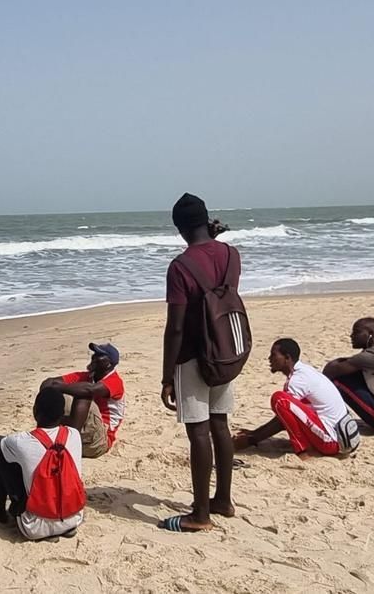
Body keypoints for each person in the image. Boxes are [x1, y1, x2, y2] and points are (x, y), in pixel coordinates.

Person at [158, 192, 238, 532]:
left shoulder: (180, 266)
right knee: (221, 424)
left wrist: (166, 376)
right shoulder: (231, 254)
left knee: (199, 432)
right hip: (224, 350)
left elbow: (175, 326)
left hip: (193, 355)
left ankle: (200, 514)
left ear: (179, 228)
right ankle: (223, 499)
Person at [0, 387, 85, 540]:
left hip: (35, 527)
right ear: (62, 414)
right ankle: (62, 526)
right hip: (74, 517)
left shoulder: (22, 441)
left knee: (1, 454)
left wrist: (7, 440)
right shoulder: (74, 434)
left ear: (35, 411)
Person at [233, 339, 360, 456]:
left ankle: (303, 450)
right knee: (286, 404)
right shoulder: (306, 371)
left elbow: (282, 418)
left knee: (280, 399)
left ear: (287, 358)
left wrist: (252, 439)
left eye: (274, 355)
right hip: (345, 436)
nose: (269, 359)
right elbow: (290, 417)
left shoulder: (297, 380)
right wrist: (254, 434)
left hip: (332, 442)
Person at [39, 342, 125, 458]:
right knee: (59, 392)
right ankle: (50, 431)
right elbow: (48, 382)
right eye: (94, 353)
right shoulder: (87, 377)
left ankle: (68, 439)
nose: (94, 357)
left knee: (83, 394)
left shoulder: (114, 381)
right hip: (85, 434)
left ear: (108, 364)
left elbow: (89, 390)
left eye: (99, 355)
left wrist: (59, 388)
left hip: (99, 442)